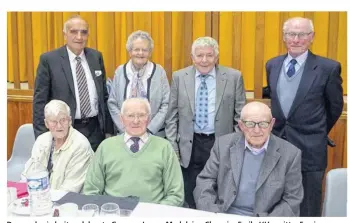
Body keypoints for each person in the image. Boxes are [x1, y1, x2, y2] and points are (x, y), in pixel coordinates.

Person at [265, 17, 343, 217]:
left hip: (311, 150)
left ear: (312, 37)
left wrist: (316, 132)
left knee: (308, 206)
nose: (296, 39)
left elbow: (334, 107)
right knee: (275, 203)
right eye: (291, 34)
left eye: (302, 34)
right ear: (284, 37)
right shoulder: (272, 65)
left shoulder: (328, 68)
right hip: (277, 147)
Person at [165, 36, 246, 208]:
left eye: (209, 55)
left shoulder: (233, 77)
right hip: (189, 145)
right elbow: (172, 115)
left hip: (220, 143)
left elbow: (240, 117)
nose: (204, 60)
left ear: (216, 57)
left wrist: (234, 145)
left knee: (217, 190)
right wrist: (173, 146)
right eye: (199, 55)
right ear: (192, 57)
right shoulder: (179, 77)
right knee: (190, 192)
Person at [194, 102, 303, 216]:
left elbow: (292, 200)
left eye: (263, 124)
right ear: (241, 125)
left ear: (272, 124)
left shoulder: (290, 154)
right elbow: (204, 182)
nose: (257, 130)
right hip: (224, 214)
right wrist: (214, 214)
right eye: (250, 124)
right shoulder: (223, 145)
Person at [33, 15, 113, 152]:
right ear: (65, 34)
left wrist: (109, 131)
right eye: (74, 32)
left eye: (83, 32)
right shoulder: (49, 60)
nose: (79, 37)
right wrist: (43, 138)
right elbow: (40, 102)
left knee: (95, 171)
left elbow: (104, 97)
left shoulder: (96, 57)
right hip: (66, 130)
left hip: (95, 130)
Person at [83, 98, 184, 206]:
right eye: (130, 116)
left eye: (141, 115)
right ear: (121, 119)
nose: (136, 121)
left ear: (149, 119)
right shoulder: (105, 147)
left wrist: (154, 214)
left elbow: (175, 194)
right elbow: (91, 191)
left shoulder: (165, 148)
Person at [21, 100, 94, 193]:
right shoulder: (41, 141)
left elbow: (70, 190)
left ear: (70, 121)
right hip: (42, 198)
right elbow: (29, 175)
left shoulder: (80, 145)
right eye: (53, 121)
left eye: (63, 120)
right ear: (46, 123)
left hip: (71, 202)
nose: (59, 126)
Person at [108, 30, 170, 137]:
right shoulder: (120, 71)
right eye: (136, 49)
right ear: (130, 52)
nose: (140, 53)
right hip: (124, 135)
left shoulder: (159, 72)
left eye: (144, 50)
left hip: (154, 135)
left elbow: (166, 104)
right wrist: (125, 128)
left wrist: (150, 129)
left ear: (150, 52)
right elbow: (112, 103)